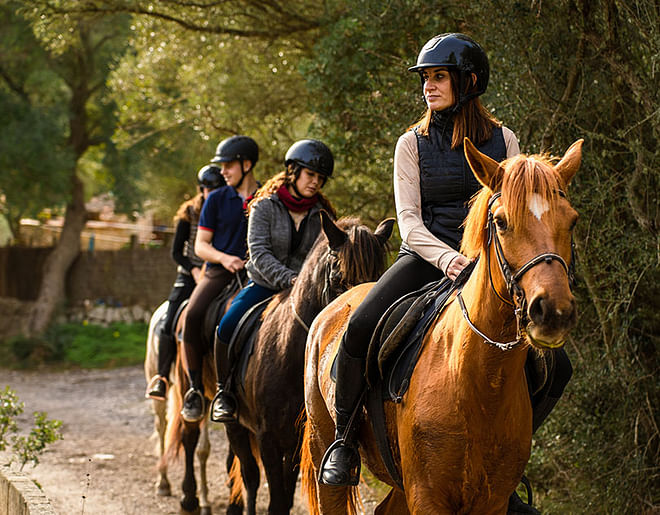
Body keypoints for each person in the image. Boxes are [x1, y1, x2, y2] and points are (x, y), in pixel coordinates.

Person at [319, 33, 525, 486]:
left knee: (556, 364)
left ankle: (510, 464)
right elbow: (409, 222)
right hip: (427, 257)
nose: (428, 87)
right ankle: (344, 440)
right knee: (357, 328)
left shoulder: (504, 139)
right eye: (425, 79)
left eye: (438, 77)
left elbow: (517, 210)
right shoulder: (410, 143)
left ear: (468, 82)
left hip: (490, 266)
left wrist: (485, 259)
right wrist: (450, 261)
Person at [210, 139, 337, 423]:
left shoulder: (323, 214)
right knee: (227, 325)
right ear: (293, 172)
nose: (315, 182)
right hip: (264, 285)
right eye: (310, 175)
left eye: (320, 178)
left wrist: (306, 285)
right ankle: (225, 392)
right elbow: (259, 254)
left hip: (308, 295)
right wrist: (292, 279)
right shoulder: (264, 206)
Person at [180, 135, 260, 423]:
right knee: (192, 315)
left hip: (257, 273)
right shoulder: (215, 199)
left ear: (247, 165)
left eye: (228, 166)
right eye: (222, 166)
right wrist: (225, 258)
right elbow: (201, 245)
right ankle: (195, 389)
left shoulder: (267, 197)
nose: (223, 171)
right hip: (219, 270)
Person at [146, 164, 225, 400]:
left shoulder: (227, 212)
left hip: (217, 271)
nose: (213, 194)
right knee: (169, 321)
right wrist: (192, 269)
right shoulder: (188, 214)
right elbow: (176, 252)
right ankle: (161, 376)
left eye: (217, 189)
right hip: (189, 275)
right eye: (209, 189)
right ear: (202, 190)